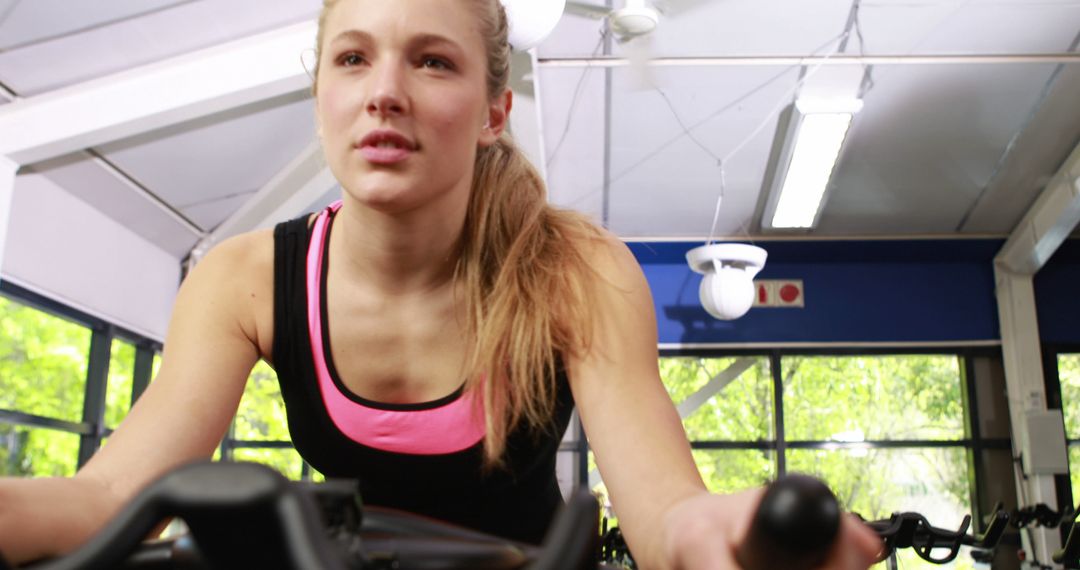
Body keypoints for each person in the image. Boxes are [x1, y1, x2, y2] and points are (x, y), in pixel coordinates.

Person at [0, 0, 882, 568]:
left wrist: (715, 538)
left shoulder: (576, 271)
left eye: (432, 61)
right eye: (351, 59)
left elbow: (666, 517)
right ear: (319, 94)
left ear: (496, 111)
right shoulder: (241, 281)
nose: (384, 92)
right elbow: (116, 499)